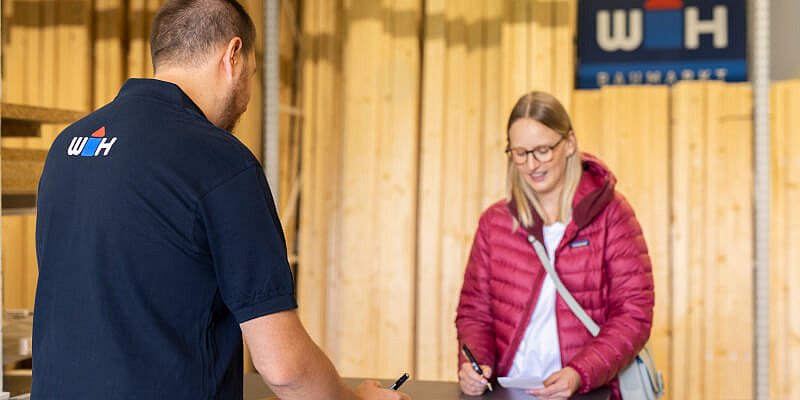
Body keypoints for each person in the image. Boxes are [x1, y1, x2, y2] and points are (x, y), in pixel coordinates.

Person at [32, 1, 409, 399]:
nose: (247, 98)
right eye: (252, 74)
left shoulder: (66, 148)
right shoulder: (220, 161)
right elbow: (284, 368)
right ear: (233, 56)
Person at [455, 91, 654, 400]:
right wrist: (475, 364)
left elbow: (633, 313)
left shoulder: (611, 213)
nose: (532, 164)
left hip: (588, 392)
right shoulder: (494, 223)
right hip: (512, 393)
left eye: (543, 150)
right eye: (520, 153)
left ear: (569, 143)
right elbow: (475, 314)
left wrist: (580, 373)